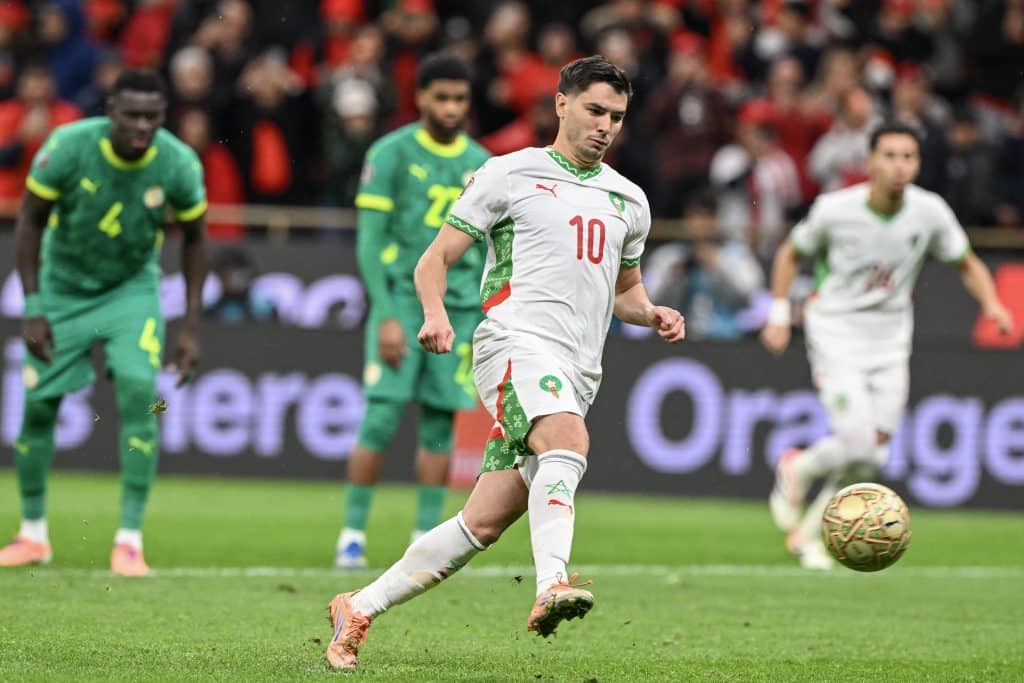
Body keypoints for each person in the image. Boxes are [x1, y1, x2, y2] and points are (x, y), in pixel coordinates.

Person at [324, 55, 685, 671]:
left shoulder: (630, 200)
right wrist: (435, 314)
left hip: (578, 367)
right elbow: (432, 260)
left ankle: (357, 608)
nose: (605, 126)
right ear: (561, 104)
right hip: (512, 343)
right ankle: (552, 586)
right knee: (568, 439)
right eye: (595, 110)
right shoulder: (508, 174)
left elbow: (625, 292)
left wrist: (651, 312)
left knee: (483, 523)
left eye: (617, 117)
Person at [760, 121, 1012, 570]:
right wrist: (779, 314)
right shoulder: (836, 210)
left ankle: (808, 534)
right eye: (890, 155)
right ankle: (798, 467)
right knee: (857, 445)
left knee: (871, 455)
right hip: (835, 331)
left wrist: (993, 304)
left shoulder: (929, 212)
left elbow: (965, 261)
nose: (899, 166)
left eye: (908, 157)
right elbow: (790, 254)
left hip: (891, 339)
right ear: (871, 161)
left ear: (917, 163)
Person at [0, 69, 207, 577]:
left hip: (131, 291)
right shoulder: (69, 146)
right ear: (110, 109)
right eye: (131, 115)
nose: (141, 126)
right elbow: (29, 222)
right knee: (39, 407)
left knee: (144, 395)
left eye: (152, 117)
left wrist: (190, 328)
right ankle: (32, 534)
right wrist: (34, 305)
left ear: (163, 117)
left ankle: (130, 541)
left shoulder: (178, 162)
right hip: (62, 288)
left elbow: (197, 240)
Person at [335, 53, 490, 569]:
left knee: (440, 424)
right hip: (402, 299)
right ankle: (352, 535)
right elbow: (369, 243)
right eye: (441, 97)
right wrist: (385, 314)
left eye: (459, 99)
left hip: (461, 307)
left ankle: (425, 538)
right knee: (379, 418)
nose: (450, 108)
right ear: (420, 97)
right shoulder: (391, 153)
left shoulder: (484, 164)